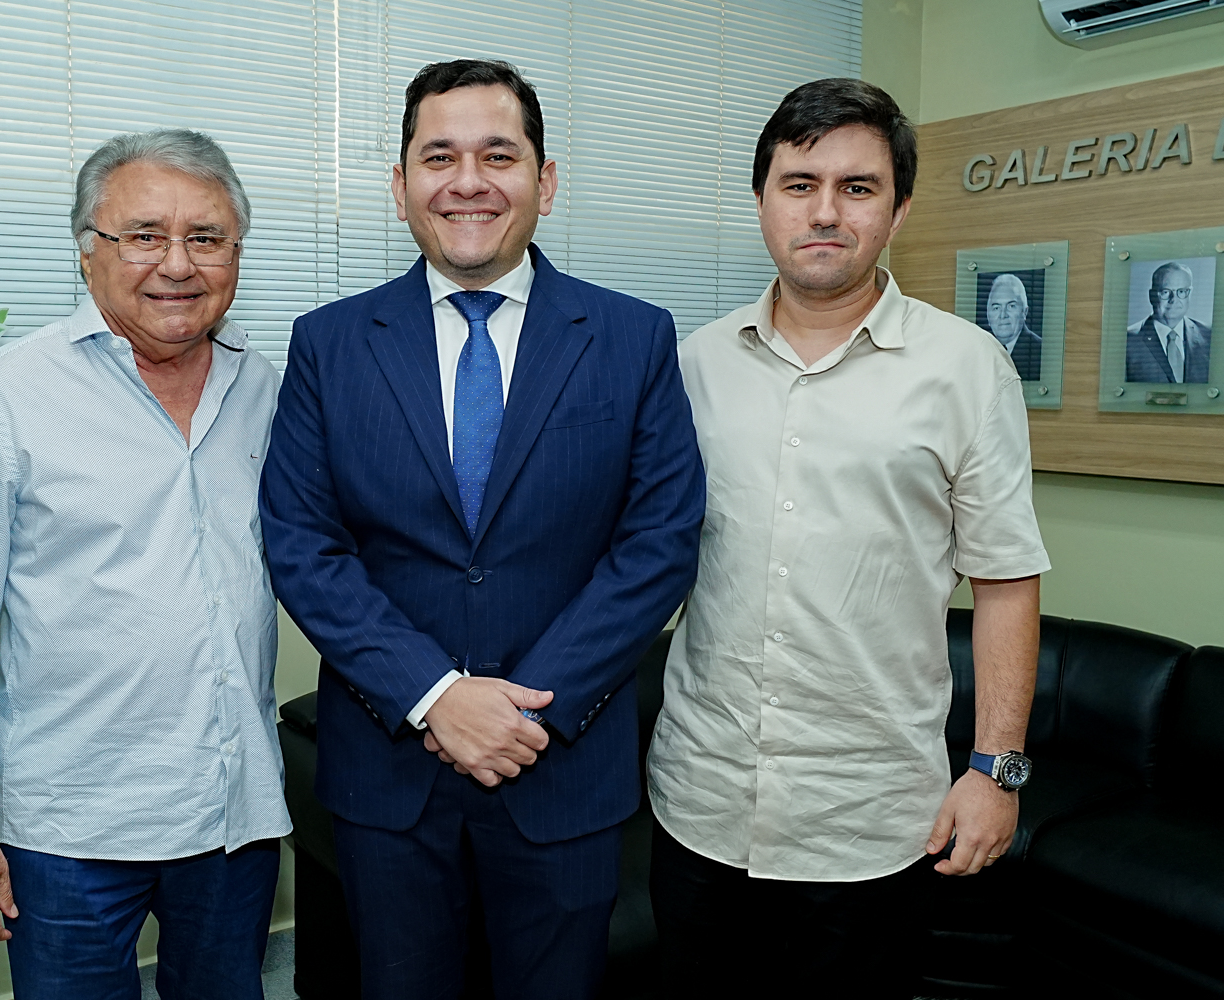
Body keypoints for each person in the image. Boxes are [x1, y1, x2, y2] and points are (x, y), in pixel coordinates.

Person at [261, 59, 704, 1000]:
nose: (468, 182)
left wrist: (520, 711)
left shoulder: (633, 337)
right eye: (440, 157)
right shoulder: (329, 344)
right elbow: (303, 544)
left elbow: (658, 541)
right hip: (389, 775)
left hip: (562, 767)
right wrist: (434, 695)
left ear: (546, 180)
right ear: (401, 186)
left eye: (498, 155)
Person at [646, 78, 1050, 996]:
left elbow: (1006, 579)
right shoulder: (691, 365)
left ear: (898, 210)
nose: (825, 211)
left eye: (857, 187)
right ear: (761, 201)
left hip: (868, 823)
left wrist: (996, 771)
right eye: (799, 184)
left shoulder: (968, 368)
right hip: (701, 804)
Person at [0, 129, 289, 1000]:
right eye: (143, 235)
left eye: (207, 237)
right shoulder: (3, 395)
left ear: (237, 253)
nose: (177, 264)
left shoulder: (265, 389)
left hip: (234, 808)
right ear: (86, 251)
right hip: (71, 826)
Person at [1126, 260, 1212, 383]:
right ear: (1151, 296)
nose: (1174, 300)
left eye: (1181, 291)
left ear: (1189, 294)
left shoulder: (1209, 335)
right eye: (1165, 292)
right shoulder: (1128, 340)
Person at [985, 271, 1042, 380]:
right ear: (988, 315)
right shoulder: (979, 350)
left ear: (1024, 312)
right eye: (996, 308)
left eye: (1011, 306)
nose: (1003, 315)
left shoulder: (1040, 351)